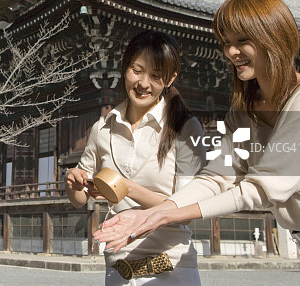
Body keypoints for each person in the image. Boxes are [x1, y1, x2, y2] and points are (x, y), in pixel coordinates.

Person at [94, 0, 300, 285]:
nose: (231, 52)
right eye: (226, 42)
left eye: (242, 41)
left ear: (273, 37)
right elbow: (216, 177)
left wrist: (164, 217)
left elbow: (260, 189)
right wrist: (157, 211)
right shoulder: (243, 112)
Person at [66, 30, 206, 285]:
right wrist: (74, 184)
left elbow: (187, 210)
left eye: (155, 76)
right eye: (137, 70)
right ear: (124, 67)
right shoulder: (102, 129)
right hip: (118, 266)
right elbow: (78, 200)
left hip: (170, 266)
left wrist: (128, 188)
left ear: (170, 78)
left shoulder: (185, 127)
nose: (143, 84)